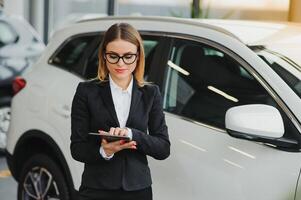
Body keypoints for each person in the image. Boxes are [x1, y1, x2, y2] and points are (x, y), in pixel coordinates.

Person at [70, 22, 170, 200]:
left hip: (138, 190)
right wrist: (105, 151)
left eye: (128, 56)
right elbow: (77, 148)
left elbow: (163, 148)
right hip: (96, 189)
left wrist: (132, 134)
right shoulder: (86, 91)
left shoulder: (151, 93)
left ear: (138, 56)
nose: (121, 63)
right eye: (113, 56)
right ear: (104, 56)